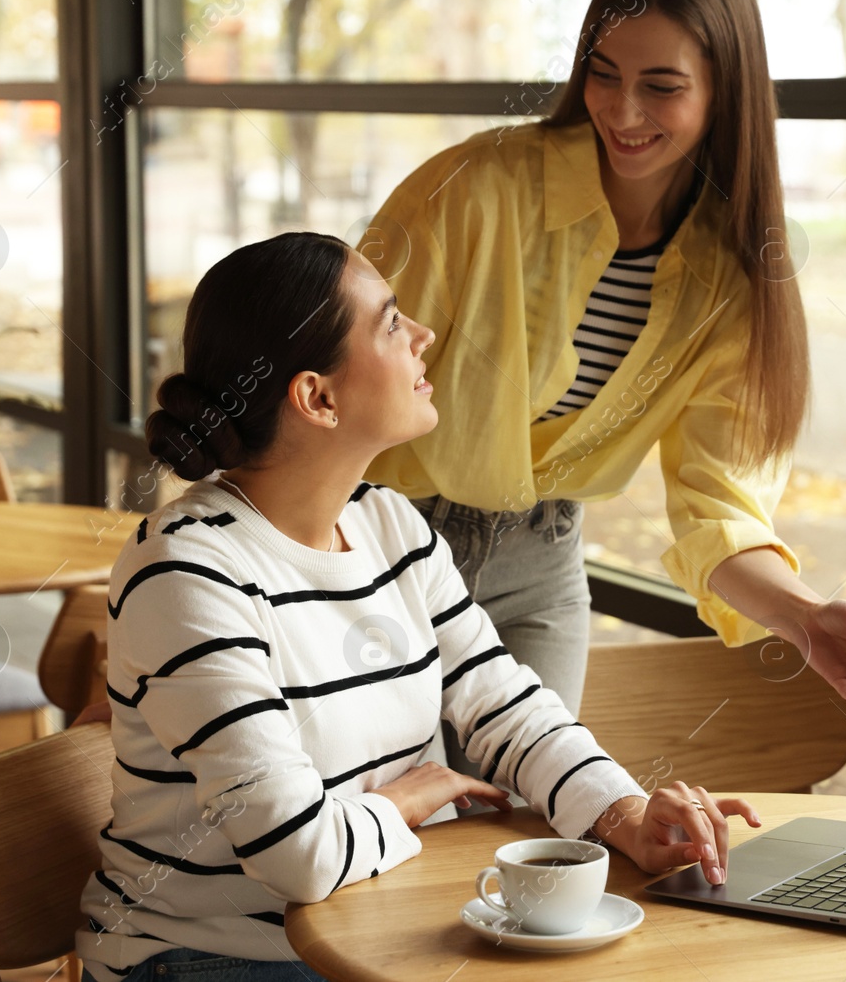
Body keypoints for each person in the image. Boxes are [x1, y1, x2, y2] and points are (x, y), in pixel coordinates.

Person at [76, 232, 760, 982]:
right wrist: (406, 799)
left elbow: (509, 707)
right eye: (393, 322)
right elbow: (295, 856)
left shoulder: (389, 524)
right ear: (318, 397)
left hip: (381, 925)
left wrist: (622, 815)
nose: (425, 337)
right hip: (211, 955)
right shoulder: (186, 573)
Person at [361, 0, 846, 793]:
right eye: (604, 73)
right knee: (391, 834)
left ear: (724, 94)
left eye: (662, 86)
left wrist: (804, 616)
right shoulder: (474, 188)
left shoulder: (735, 278)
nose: (622, 111)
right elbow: (327, 379)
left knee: (526, 829)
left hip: (543, 567)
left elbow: (720, 508)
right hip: (387, 545)